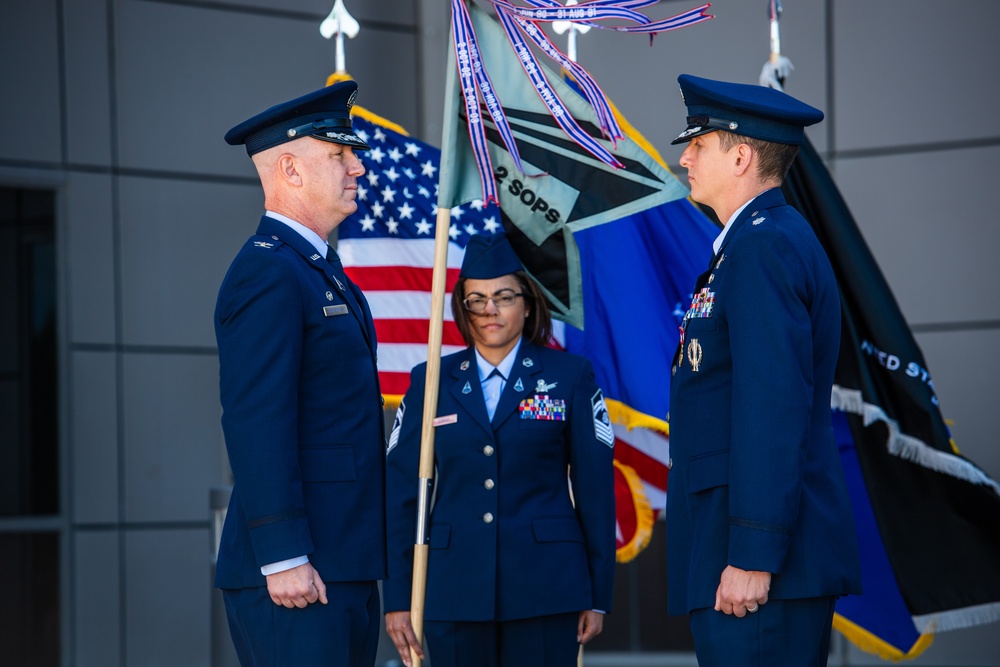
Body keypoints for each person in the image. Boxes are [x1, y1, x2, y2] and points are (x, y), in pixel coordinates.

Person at [665, 74, 862, 666]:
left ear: (742, 155)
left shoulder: (762, 247)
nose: (684, 157)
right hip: (741, 549)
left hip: (755, 564)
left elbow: (770, 404)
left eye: (698, 144)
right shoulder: (752, 242)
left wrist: (752, 553)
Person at [214, 80, 386, 666]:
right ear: (289, 168)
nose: (358, 167)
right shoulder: (269, 273)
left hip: (342, 559)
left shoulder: (319, 270)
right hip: (296, 571)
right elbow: (256, 418)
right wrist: (283, 553)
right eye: (340, 154)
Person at [383, 233, 615, 667]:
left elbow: (596, 491)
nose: (489, 309)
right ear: (462, 309)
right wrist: (397, 595)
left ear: (527, 303)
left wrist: (597, 594)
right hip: (454, 590)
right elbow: (401, 497)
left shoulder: (570, 376)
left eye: (504, 296)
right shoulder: (431, 380)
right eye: (476, 299)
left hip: (548, 588)